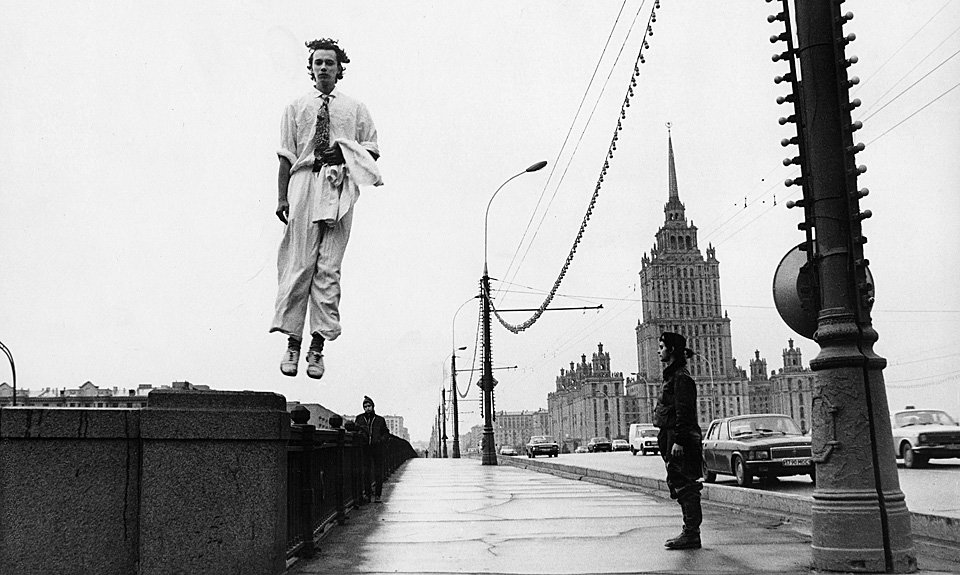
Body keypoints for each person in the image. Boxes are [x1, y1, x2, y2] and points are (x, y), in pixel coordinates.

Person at [270, 38, 382, 379]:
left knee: (328, 267)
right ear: (311, 67)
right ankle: (293, 341)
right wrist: (282, 197)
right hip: (304, 183)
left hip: (338, 186)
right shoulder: (296, 107)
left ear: (339, 69)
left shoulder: (356, 108)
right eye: (317, 63)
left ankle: (317, 347)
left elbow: (372, 150)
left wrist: (345, 153)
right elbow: (286, 156)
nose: (323, 68)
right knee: (299, 263)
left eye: (329, 63)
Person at [653, 332, 703, 550]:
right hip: (672, 437)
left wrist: (679, 441)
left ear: (672, 350)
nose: (658, 350)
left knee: (686, 486)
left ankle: (691, 534)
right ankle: (690, 532)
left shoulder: (681, 378)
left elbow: (685, 413)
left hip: (680, 440)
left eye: (662, 346)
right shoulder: (673, 376)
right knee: (679, 483)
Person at [355, 395, 390, 503]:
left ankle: (378, 495)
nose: (367, 408)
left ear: (373, 406)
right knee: (366, 472)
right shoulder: (360, 419)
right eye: (365, 406)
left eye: (369, 406)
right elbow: (356, 431)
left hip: (377, 449)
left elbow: (386, 433)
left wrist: (380, 440)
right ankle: (368, 495)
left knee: (378, 472)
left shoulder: (380, 420)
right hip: (365, 448)